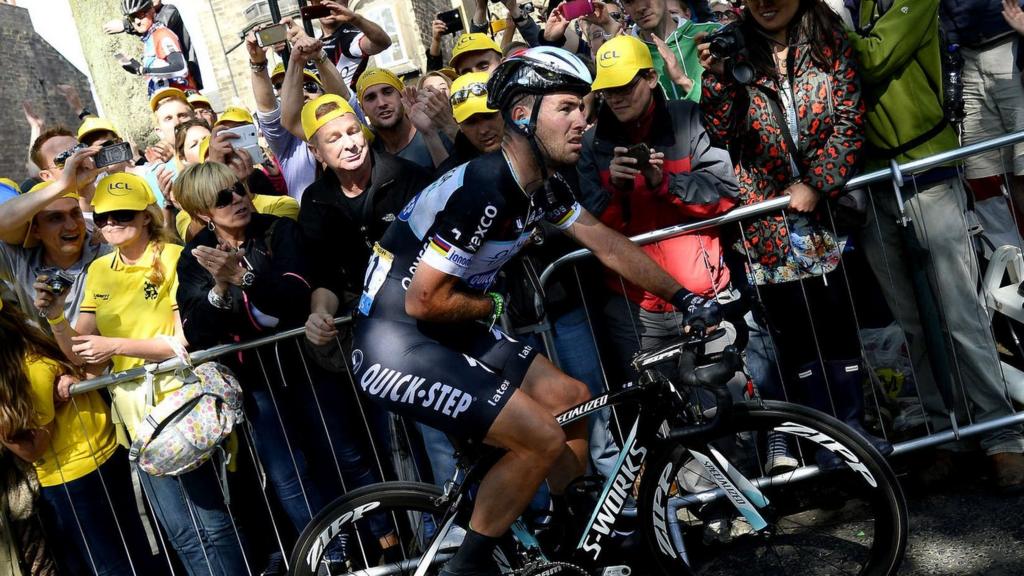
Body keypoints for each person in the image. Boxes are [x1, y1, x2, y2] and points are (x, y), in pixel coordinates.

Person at [349, 46, 721, 576]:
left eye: (584, 108)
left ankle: (575, 539)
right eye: (567, 108)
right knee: (540, 438)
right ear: (522, 115)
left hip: (441, 330)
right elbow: (424, 299)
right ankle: (465, 567)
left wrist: (688, 298)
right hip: (396, 341)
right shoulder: (486, 186)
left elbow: (606, 244)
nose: (583, 120)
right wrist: (494, 302)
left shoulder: (542, 187)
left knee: (572, 398)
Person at [698, 0, 888, 471]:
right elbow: (720, 130)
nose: (765, 4)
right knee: (797, 337)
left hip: (826, 216)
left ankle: (852, 431)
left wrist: (819, 182)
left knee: (838, 326)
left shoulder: (827, 38)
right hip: (768, 223)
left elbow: (848, 120)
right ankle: (822, 443)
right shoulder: (735, 45)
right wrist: (719, 76)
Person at [172, 161, 396, 561]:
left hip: (307, 365)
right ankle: (328, 556)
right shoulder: (194, 258)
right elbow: (198, 330)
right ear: (203, 212)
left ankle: (390, 541)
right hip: (255, 381)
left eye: (239, 188)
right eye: (224, 197)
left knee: (345, 454)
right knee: (288, 474)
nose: (239, 199)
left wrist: (245, 279)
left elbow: (296, 292)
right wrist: (220, 287)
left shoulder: (278, 229)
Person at [850, 0, 1024, 491]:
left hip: (928, 169)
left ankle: (1003, 435)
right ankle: (945, 435)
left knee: (960, 313)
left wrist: (829, 29)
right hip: (871, 179)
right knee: (912, 322)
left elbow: (873, 58)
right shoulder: (849, 8)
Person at [37, 173, 248, 576]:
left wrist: (115, 346)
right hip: (136, 418)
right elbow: (87, 359)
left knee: (213, 523)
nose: (111, 224)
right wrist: (56, 317)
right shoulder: (99, 270)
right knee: (181, 532)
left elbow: (182, 339)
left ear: (146, 216)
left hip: (182, 404)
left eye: (122, 215)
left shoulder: (175, 256)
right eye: (102, 217)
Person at [579, 35, 740, 380]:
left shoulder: (686, 117)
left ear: (651, 78)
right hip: (635, 309)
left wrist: (663, 183)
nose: (617, 98)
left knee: (727, 412)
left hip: (703, 296)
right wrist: (618, 190)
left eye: (625, 85)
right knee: (661, 423)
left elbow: (725, 194)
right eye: (608, 90)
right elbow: (589, 230)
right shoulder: (591, 144)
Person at [0, 294, 165, 576]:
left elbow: (32, 449)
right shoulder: (37, 350)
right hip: (102, 459)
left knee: (113, 566)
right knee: (133, 554)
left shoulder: (30, 368)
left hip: (74, 477)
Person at [0, 141, 109, 330]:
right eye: (55, 218)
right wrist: (62, 186)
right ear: (36, 230)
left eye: (75, 213)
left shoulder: (104, 250)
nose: (71, 225)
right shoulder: (19, 259)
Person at [620, 0, 719, 100]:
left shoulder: (713, 34)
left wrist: (685, 82)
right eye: (629, 1)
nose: (640, 8)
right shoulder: (626, 54)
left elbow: (731, 109)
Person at [357, 68, 453, 170]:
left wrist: (430, 134)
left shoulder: (438, 132)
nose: (381, 103)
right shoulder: (367, 152)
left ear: (402, 96)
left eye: (387, 92)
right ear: (362, 109)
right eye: (371, 98)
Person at [104, 0, 202, 89]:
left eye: (141, 14)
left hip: (187, 79)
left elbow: (160, 23)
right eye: (133, 18)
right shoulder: (149, 35)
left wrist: (125, 24)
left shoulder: (169, 12)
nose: (137, 21)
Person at [437, 72, 505, 173]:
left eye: (488, 116)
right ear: (458, 124)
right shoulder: (451, 174)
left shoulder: (535, 146)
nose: (483, 130)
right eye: (471, 122)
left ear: (504, 109)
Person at [315, 0, 393, 88]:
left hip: (344, 100)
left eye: (332, 1)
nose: (325, 6)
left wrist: (356, 19)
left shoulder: (353, 36)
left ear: (345, 3)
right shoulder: (313, 39)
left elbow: (383, 43)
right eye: (318, 1)